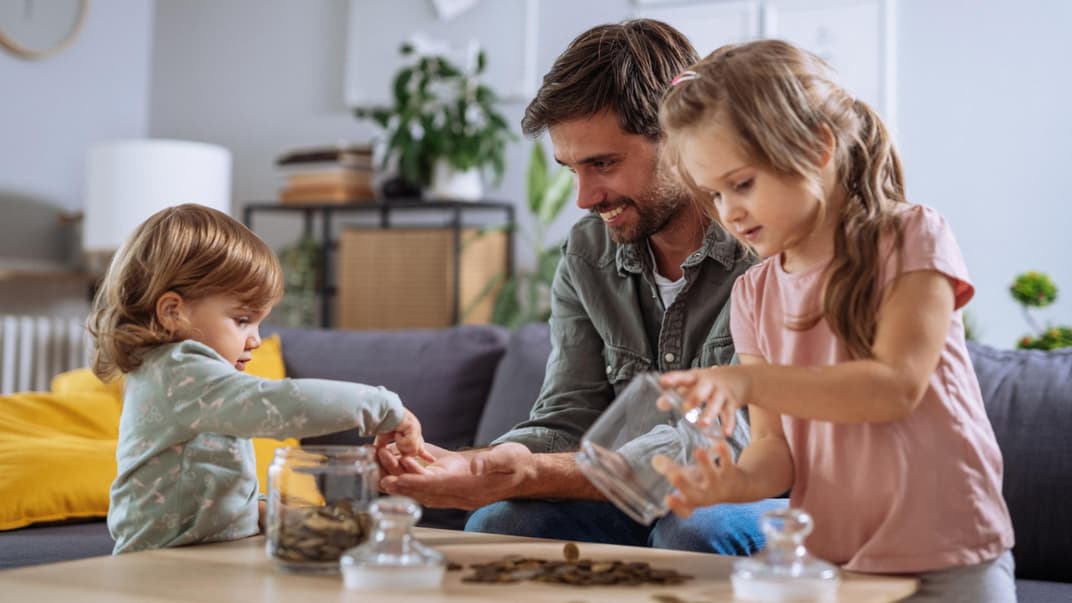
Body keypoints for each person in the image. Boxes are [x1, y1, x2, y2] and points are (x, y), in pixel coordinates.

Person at [378, 19, 784, 555]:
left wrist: (529, 474)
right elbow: (568, 416)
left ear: (681, 137)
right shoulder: (588, 253)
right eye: (571, 169)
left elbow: (731, 445)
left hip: (757, 489)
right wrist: (473, 464)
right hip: (629, 496)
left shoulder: (766, 247)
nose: (585, 197)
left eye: (603, 164)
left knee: (693, 529)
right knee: (502, 524)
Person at [655, 40, 1015, 601]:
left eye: (742, 184)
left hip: (951, 554)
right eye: (714, 194)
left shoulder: (911, 238)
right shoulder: (752, 294)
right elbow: (774, 447)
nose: (729, 212)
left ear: (817, 147)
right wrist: (736, 482)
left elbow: (893, 388)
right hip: (836, 562)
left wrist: (748, 381)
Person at [88, 204, 430, 554]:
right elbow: (281, 403)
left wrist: (260, 510)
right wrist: (382, 407)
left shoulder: (189, 381)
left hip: (202, 557)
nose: (255, 340)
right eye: (242, 320)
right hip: (159, 566)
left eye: (258, 323)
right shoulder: (178, 371)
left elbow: (204, 477)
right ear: (173, 311)